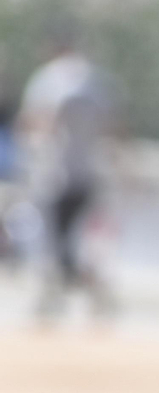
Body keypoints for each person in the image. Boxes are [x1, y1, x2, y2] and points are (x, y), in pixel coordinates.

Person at [16, 33, 120, 322]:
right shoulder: (96, 80)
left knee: (50, 242)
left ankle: (55, 297)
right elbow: (114, 127)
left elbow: (34, 121)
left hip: (55, 175)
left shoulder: (47, 79)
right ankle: (85, 292)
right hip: (88, 174)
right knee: (78, 243)